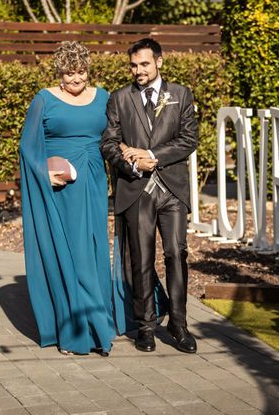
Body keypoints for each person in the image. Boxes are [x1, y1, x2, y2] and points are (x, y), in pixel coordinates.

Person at [100, 38, 199, 354]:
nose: (138, 70)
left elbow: (189, 139)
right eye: (133, 65)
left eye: (144, 63)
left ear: (159, 61)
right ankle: (145, 326)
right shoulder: (120, 98)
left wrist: (153, 154)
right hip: (136, 190)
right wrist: (130, 161)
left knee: (176, 253)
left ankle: (179, 324)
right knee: (140, 260)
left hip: (172, 190)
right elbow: (109, 143)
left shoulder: (180, 95)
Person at [19, 41, 115, 356]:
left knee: (94, 248)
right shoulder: (43, 100)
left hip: (95, 183)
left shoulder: (103, 97)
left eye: (82, 72)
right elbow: (27, 147)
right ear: (59, 72)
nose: (76, 79)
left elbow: (115, 138)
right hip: (62, 188)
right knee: (73, 254)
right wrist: (42, 174)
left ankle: (98, 322)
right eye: (70, 73)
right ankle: (78, 332)